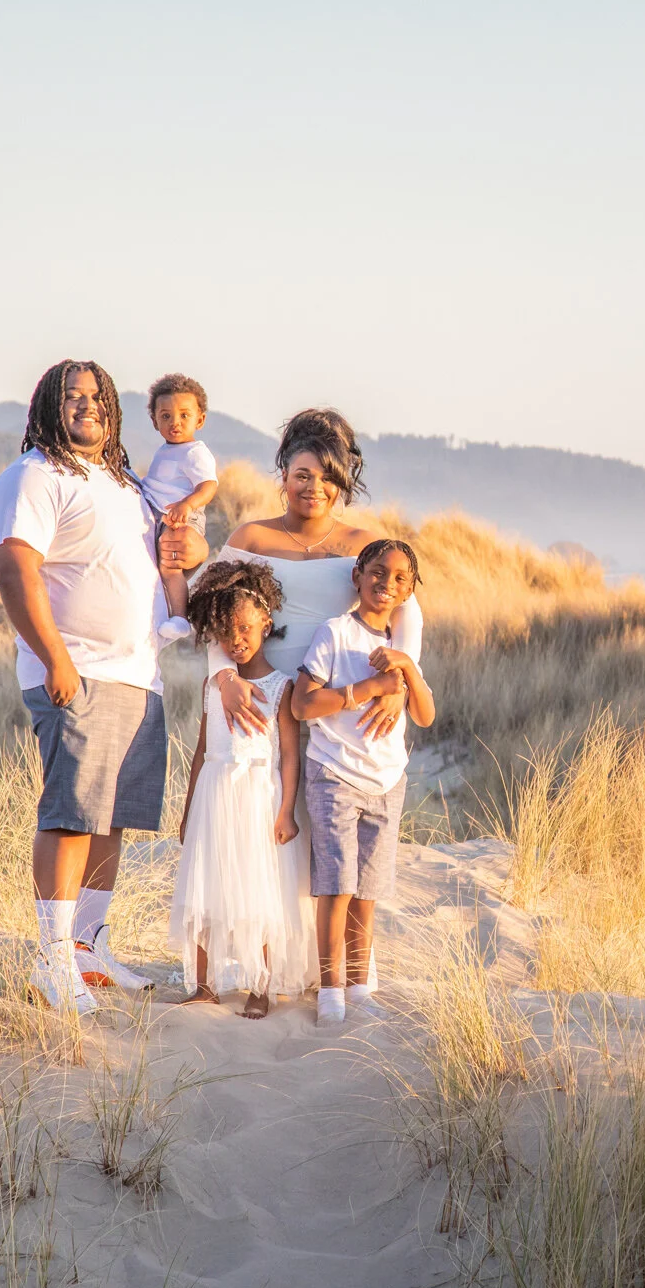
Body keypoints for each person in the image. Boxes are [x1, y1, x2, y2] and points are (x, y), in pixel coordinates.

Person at [156, 409, 423, 1001]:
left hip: (335, 716)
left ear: (344, 481)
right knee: (267, 839)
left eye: (328, 478)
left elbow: (407, 610)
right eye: (302, 474)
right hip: (259, 701)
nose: (314, 488)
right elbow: (213, 608)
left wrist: (402, 678)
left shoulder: (364, 543)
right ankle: (267, 972)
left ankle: (333, 976)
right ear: (284, 473)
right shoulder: (251, 537)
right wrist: (223, 677)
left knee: (330, 849)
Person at [0, 359, 186, 1013]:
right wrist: (54, 659)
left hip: (137, 674)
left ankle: (86, 948)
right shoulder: (34, 474)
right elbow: (15, 567)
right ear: (48, 403)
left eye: (97, 396)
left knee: (111, 819)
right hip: (76, 671)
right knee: (72, 814)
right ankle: (50, 960)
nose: (87, 406)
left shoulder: (128, 484)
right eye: (72, 397)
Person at [294, 539, 436, 1026]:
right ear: (357, 576)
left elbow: (425, 714)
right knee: (337, 885)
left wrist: (407, 671)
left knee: (367, 891)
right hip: (334, 772)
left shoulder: (402, 648)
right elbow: (302, 706)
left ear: (410, 590)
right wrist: (365, 690)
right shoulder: (334, 633)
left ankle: (358, 984)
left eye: (400, 578)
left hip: (386, 780)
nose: (386, 584)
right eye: (378, 572)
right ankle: (330, 988)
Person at [168, 558, 310, 1018]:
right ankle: (204, 983)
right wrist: (188, 808)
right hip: (214, 792)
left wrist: (287, 809)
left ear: (266, 623)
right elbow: (202, 747)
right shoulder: (216, 684)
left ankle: (260, 985)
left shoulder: (281, 686)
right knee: (206, 885)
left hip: (258, 798)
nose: (237, 641)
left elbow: (290, 755)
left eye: (246, 629)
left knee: (259, 890)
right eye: (227, 633)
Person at [139, 373, 219, 643]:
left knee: (171, 569)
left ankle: (180, 619)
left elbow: (208, 486)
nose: (175, 423)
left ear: (200, 419)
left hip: (182, 519)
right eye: (166, 416)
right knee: (161, 568)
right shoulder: (165, 449)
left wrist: (187, 504)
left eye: (184, 415)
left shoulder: (195, 451)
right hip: (164, 514)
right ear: (154, 421)